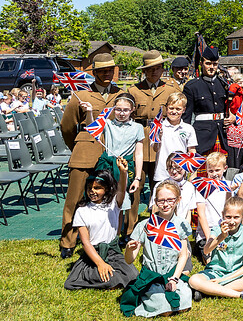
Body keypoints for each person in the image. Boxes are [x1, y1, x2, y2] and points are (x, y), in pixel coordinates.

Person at [59, 52, 123, 258]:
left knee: (110, 195)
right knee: (75, 197)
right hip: (85, 151)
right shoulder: (82, 95)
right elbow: (67, 126)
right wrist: (78, 145)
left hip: (112, 150)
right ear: (94, 72)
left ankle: (108, 236)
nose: (107, 74)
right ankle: (68, 241)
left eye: (110, 70)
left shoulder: (120, 94)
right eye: (102, 70)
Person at [64, 157, 139, 290]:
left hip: (113, 252)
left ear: (107, 189)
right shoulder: (82, 211)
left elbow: (121, 190)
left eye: (98, 188)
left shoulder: (113, 204)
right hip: (94, 255)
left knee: (133, 275)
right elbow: (86, 242)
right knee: (112, 279)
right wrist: (100, 264)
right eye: (90, 188)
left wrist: (123, 173)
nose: (93, 191)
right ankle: (92, 274)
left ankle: (110, 274)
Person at [121, 181, 193, 317]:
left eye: (170, 200)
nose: (165, 204)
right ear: (155, 201)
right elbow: (129, 260)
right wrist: (130, 250)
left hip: (173, 274)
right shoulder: (145, 225)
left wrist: (174, 279)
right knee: (164, 309)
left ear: (178, 200)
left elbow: (183, 256)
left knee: (184, 303)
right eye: (161, 201)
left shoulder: (181, 224)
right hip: (152, 276)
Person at [129, 50, 179, 232]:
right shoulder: (134, 90)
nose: (154, 72)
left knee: (161, 186)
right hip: (140, 140)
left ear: (162, 69)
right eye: (150, 69)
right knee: (136, 186)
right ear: (144, 71)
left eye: (158, 68)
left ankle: (159, 225)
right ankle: (131, 228)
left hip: (162, 142)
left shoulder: (171, 90)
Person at [188, 196, 243, 300]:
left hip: (236, 274)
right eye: (228, 217)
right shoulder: (216, 230)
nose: (232, 221)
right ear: (222, 214)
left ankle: (208, 291)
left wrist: (222, 280)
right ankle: (241, 295)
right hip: (215, 272)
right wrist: (221, 237)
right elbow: (206, 250)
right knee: (194, 280)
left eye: (236, 217)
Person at [98, 93, 144, 232]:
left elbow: (139, 153)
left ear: (132, 110)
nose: (121, 113)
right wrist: (88, 112)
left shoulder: (137, 128)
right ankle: (103, 233)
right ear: (113, 109)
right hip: (107, 166)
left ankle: (116, 235)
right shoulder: (108, 124)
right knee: (103, 199)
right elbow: (91, 126)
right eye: (118, 109)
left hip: (124, 168)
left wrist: (137, 178)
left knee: (120, 201)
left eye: (125, 110)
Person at [182, 46, 230, 155]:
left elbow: (231, 107)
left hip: (222, 136)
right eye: (208, 63)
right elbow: (186, 117)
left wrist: (233, 116)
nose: (212, 67)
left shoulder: (224, 84)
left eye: (215, 64)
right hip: (202, 136)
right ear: (201, 63)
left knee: (220, 171)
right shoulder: (192, 86)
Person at [152, 152, 209, 241]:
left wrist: (185, 232)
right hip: (163, 228)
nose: (174, 171)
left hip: (181, 229)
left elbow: (188, 212)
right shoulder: (161, 185)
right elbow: (155, 209)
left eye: (178, 167)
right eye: (170, 168)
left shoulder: (189, 187)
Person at [152, 92, 197, 191]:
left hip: (180, 172)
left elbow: (192, 151)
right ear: (166, 108)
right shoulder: (159, 126)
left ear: (184, 110)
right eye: (171, 108)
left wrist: (193, 173)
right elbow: (155, 149)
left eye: (178, 109)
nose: (174, 111)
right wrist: (158, 138)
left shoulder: (188, 128)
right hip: (162, 173)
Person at [196, 152, 233, 262]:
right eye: (211, 171)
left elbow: (229, 207)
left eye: (217, 170)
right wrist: (209, 238)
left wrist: (229, 191)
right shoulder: (202, 187)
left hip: (224, 230)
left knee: (228, 257)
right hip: (207, 232)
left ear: (225, 168)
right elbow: (201, 215)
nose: (214, 174)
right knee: (211, 260)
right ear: (206, 170)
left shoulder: (229, 184)